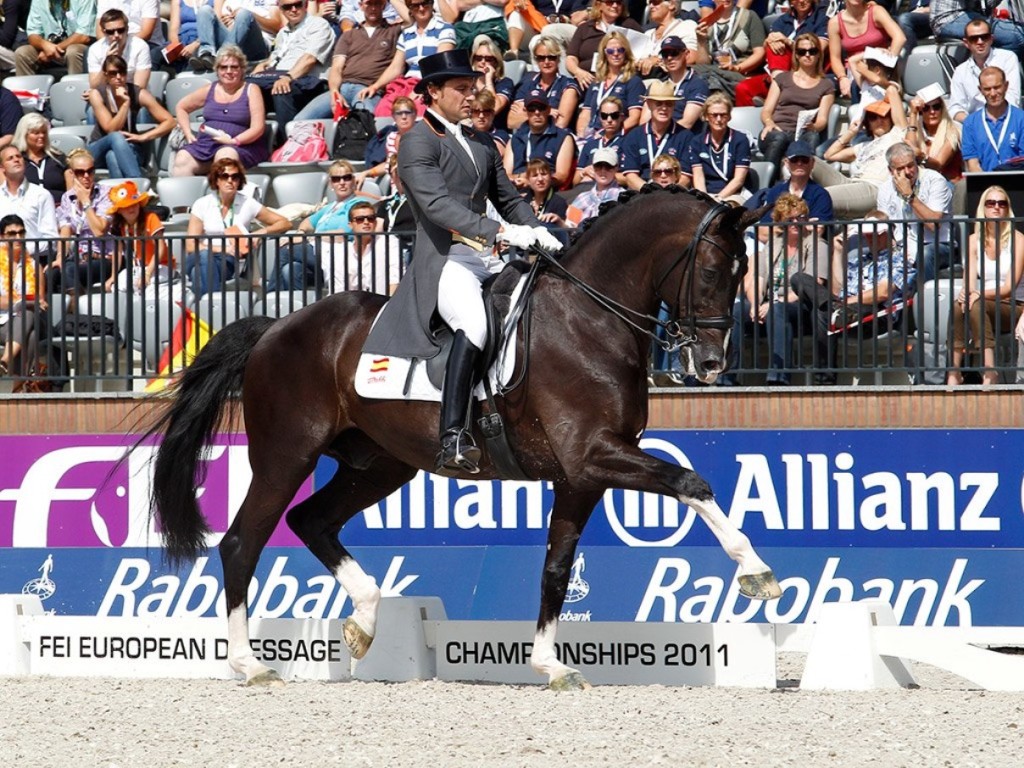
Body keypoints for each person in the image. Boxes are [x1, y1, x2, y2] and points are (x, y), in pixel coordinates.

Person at [362, 49, 560, 474]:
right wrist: (503, 233)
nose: (470, 97)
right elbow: (436, 207)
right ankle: (453, 433)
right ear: (433, 92)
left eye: (472, 89)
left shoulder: (480, 140)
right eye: (461, 89)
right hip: (446, 260)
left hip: (488, 256)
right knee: (475, 323)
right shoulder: (417, 139)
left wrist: (539, 230)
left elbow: (507, 198)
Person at [722, 193, 829, 386]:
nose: (796, 222)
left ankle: (779, 376)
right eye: (790, 219)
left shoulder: (816, 244)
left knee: (777, 311)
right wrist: (755, 303)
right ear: (780, 221)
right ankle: (728, 375)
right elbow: (759, 279)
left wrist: (773, 303)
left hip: (802, 304)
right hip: (772, 303)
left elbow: (815, 283)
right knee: (738, 310)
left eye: (801, 218)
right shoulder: (774, 244)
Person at [947, 186, 1024, 386]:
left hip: (1014, 304)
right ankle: (954, 372)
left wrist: (977, 294)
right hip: (985, 303)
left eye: (1002, 203)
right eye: (991, 203)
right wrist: (966, 293)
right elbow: (969, 280)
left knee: (976, 303)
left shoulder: (1019, 240)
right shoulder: (973, 240)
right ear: (983, 208)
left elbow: (1009, 287)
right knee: (958, 305)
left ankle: (990, 371)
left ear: (1008, 209)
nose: (996, 208)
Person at [185, 157, 290, 295]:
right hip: (202, 255)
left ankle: (207, 308)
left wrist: (262, 231)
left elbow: (285, 222)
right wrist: (222, 248)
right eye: (224, 176)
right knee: (204, 256)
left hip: (227, 260)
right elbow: (191, 245)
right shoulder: (202, 204)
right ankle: (214, 303)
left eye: (235, 177)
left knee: (196, 274)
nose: (230, 180)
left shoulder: (248, 203)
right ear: (216, 180)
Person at [267, 159, 374, 290]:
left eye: (346, 178)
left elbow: (344, 233)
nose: (341, 183)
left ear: (353, 181)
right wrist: (300, 232)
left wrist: (310, 238)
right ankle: (298, 307)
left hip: (339, 253)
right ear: (331, 183)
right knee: (292, 269)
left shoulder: (358, 204)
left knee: (285, 250)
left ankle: (270, 295)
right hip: (320, 254)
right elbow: (307, 222)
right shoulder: (329, 207)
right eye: (336, 179)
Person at [293, 0, 402, 120]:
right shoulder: (349, 35)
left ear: (383, 6)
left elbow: (410, 19)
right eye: (368, 4)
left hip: (368, 90)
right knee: (299, 121)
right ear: (361, 6)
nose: (373, 8)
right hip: (341, 89)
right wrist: (334, 92)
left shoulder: (393, 31)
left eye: (377, 3)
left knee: (366, 123)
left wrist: (375, 87)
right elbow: (337, 68)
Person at [172, 45, 270, 176]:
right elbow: (181, 107)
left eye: (234, 67)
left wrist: (234, 141)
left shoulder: (251, 90)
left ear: (242, 70)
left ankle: (223, 196)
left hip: (242, 146)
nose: (229, 71)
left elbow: (258, 128)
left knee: (225, 156)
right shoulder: (209, 89)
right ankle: (188, 196)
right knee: (182, 158)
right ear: (217, 70)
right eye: (224, 67)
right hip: (207, 144)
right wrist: (188, 133)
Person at [249, 0, 335, 143]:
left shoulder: (318, 25)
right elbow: (276, 58)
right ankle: (251, 143)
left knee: (282, 89)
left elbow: (310, 59)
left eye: (297, 4)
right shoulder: (283, 32)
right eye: (288, 6)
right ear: (281, 9)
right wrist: (264, 65)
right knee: (247, 88)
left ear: (305, 5)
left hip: (310, 82)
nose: (293, 9)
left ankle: (287, 144)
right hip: (281, 77)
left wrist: (288, 77)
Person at [816, 91, 908, 219]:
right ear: (867, 123)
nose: (879, 121)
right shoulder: (864, 146)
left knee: (818, 196)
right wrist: (851, 132)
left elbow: (892, 91)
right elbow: (829, 155)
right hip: (854, 183)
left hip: (874, 188)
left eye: (883, 116)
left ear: (890, 118)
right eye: (873, 117)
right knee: (810, 161)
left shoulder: (896, 135)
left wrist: (888, 94)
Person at [88, 54, 175, 179]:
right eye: (113, 73)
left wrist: (144, 137)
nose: (118, 77)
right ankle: (139, 185)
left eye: (122, 72)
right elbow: (111, 129)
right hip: (98, 148)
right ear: (105, 75)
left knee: (112, 156)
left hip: (128, 147)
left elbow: (170, 121)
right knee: (116, 137)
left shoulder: (138, 92)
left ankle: (126, 195)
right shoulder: (96, 94)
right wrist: (125, 104)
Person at [875, 142, 952, 283]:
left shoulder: (935, 180)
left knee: (925, 253)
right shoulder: (885, 189)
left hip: (937, 244)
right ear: (890, 170)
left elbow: (934, 225)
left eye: (910, 165)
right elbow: (885, 227)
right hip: (902, 246)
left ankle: (923, 301)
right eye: (900, 168)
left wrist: (909, 196)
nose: (907, 172)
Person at [758, 31, 835, 168]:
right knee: (779, 138)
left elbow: (822, 120)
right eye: (802, 51)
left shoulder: (826, 85)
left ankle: (806, 182)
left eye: (812, 51)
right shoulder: (782, 79)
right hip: (777, 130)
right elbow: (766, 111)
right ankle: (767, 183)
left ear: (819, 55)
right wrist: (769, 123)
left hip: (802, 132)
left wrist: (814, 126)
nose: (807, 55)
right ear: (796, 55)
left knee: (812, 136)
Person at [735, 0, 828, 108]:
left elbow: (819, 48)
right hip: (780, 73)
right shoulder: (783, 20)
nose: (801, 1)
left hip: (807, 72)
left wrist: (788, 41)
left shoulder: (822, 18)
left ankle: (776, 97)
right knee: (743, 88)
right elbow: (769, 45)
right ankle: (777, 98)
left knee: (779, 45)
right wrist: (769, 41)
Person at [53, 148, 117, 295]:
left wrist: (86, 202)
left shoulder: (107, 193)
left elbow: (99, 231)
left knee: (70, 270)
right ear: (72, 174)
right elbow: (65, 229)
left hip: (104, 258)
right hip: (79, 257)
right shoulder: (67, 197)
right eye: (80, 172)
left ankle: (77, 312)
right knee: (52, 273)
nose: (86, 176)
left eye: (90, 171)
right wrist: (59, 258)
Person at [0, 213, 52, 392]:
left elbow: (41, 300)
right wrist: (20, 300)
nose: (18, 237)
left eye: (21, 233)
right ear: (2, 237)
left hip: (27, 318)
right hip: (2, 323)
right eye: (12, 234)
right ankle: (17, 387)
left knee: (28, 315)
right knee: (30, 331)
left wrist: (26, 303)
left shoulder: (34, 265)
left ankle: (5, 361)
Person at [106, 180, 174, 297]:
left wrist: (147, 273)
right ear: (119, 210)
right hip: (138, 268)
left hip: (161, 266)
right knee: (118, 285)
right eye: (126, 206)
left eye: (134, 204)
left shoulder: (151, 218)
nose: (131, 208)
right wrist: (113, 276)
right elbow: (117, 252)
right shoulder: (120, 225)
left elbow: (160, 248)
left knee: (146, 288)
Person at [947, 17, 1022, 124]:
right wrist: (974, 122)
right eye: (974, 39)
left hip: (1006, 120)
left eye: (984, 37)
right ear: (966, 42)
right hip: (975, 124)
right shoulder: (960, 71)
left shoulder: (1007, 58)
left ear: (991, 39)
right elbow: (955, 107)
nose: (980, 42)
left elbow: (1013, 98)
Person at [621, 80, 693, 190]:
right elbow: (631, 176)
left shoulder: (686, 137)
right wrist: (649, 192)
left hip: (674, 194)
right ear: (649, 104)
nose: (664, 108)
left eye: (668, 104)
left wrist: (669, 194)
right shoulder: (634, 136)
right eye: (658, 103)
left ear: (674, 106)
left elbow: (685, 177)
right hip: (642, 193)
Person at [746, 140, 834, 229]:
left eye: (804, 160)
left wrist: (780, 225)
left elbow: (817, 231)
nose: (799, 163)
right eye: (794, 160)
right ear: (786, 163)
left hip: (808, 243)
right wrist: (803, 225)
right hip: (777, 242)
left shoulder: (821, 195)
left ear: (812, 163)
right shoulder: (775, 191)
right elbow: (763, 231)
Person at [827, 0, 904, 101]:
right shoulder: (834, 23)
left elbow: (900, 37)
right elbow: (835, 58)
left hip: (881, 67)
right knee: (854, 85)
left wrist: (888, 61)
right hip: (855, 70)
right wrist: (842, 78)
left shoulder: (876, 12)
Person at [691, 0, 766, 102]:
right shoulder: (708, 23)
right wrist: (701, 42)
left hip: (741, 74)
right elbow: (703, 63)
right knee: (695, 70)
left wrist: (737, 68)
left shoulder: (749, 16)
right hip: (716, 74)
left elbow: (760, 53)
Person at [323, 199, 401, 295]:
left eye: (370, 218)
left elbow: (395, 279)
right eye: (360, 219)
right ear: (350, 225)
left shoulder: (389, 243)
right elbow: (338, 289)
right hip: (351, 306)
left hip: (383, 304)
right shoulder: (340, 252)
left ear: (375, 223)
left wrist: (387, 306)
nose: (366, 222)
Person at [576, 31, 644, 137]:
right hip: (591, 135)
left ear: (626, 52)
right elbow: (585, 114)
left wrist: (606, 135)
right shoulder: (596, 81)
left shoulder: (633, 81)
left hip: (615, 137)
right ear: (604, 53)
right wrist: (581, 134)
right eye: (611, 51)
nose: (615, 54)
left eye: (620, 50)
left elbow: (634, 117)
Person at [684, 92, 749, 202]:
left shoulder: (740, 140)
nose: (718, 119)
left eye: (723, 115)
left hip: (732, 194)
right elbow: (698, 176)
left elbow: (739, 179)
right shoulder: (697, 141)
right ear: (706, 117)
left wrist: (718, 198)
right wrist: (704, 198)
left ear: (729, 116)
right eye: (714, 115)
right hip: (706, 194)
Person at [507, 35, 579, 132]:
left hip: (555, 139)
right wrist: (547, 113)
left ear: (558, 59)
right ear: (536, 60)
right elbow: (511, 122)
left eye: (551, 57)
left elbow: (560, 124)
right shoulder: (528, 81)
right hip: (527, 137)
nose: (546, 62)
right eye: (541, 58)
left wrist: (527, 114)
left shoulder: (568, 85)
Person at [565, 0, 641, 90]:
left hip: (617, 79)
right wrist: (579, 72)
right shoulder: (585, 28)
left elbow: (643, 50)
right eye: (610, 2)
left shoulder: (630, 25)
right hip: (586, 79)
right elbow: (571, 58)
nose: (615, 5)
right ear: (599, 5)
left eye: (619, 2)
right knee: (570, 90)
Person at [504, 95, 576, 190]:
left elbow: (561, 175)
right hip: (516, 189)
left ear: (549, 110)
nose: (537, 112)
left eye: (541, 108)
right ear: (526, 112)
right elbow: (505, 174)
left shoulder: (562, 137)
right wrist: (519, 179)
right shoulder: (515, 139)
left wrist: (531, 182)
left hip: (546, 190)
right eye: (532, 109)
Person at [0, 144, 58, 260]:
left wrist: (21, 250)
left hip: (34, 262)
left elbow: (51, 240)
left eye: (18, 156)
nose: (16, 159)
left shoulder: (41, 195)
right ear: (2, 168)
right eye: (10, 158)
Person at [961, 66, 1024, 173]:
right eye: (987, 89)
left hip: (1017, 183)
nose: (993, 93)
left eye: (997, 87)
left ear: (1006, 86)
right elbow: (973, 164)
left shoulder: (1021, 119)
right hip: (984, 185)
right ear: (980, 90)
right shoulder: (970, 123)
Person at [191, 0, 283, 70]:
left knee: (245, 14)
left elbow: (276, 26)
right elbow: (216, 19)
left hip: (257, 44)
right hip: (229, 38)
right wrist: (228, 23)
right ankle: (206, 54)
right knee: (205, 10)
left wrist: (251, 17)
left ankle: (222, 57)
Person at [14, 0, 95, 76]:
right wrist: (44, 45)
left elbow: (84, 36)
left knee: (73, 51)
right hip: (48, 47)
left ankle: (75, 88)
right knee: (22, 53)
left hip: (76, 46)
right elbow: (32, 34)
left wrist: (55, 49)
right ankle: (27, 90)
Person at [645, 36, 708, 131]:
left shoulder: (697, 84)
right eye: (665, 55)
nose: (669, 58)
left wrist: (661, 134)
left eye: (674, 53)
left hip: (682, 138)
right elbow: (644, 120)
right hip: (656, 136)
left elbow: (687, 123)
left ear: (686, 54)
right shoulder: (657, 85)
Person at [905, 83, 963, 184]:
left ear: (942, 109)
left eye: (936, 107)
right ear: (921, 111)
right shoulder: (918, 131)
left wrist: (922, 156)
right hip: (922, 184)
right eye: (926, 108)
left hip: (948, 184)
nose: (932, 112)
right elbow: (909, 150)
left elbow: (939, 164)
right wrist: (913, 114)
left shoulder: (953, 130)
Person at [12, 112, 70, 206]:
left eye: (43, 132)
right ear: (24, 134)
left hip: (59, 208)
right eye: (36, 133)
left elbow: (71, 192)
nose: (42, 136)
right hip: (26, 209)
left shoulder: (58, 158)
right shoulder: (15, 159)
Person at [930, 0, 1024, 57]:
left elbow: (988, 5)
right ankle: (992, 80)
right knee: (1014, 37)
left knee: (1020, 30)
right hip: (949, 18)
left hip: (971, 15)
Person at [87, 9, 152, 90]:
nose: (116, 35)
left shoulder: (140, 46)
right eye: (111, 32)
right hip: (106, 94)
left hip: (133, 95)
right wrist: (106, 64)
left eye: (120, 30)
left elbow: (140, 86)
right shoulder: (95, 49)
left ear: (127, 29)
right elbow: (94, 86)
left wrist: (117, 92)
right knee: (93, 95)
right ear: (104, 32)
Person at [573, 95, 625, 185]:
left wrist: (602, 175)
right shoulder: (590, 144)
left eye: (614, 115)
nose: (609, 120)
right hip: (588, 190)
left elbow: (630, 178)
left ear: (621, 117)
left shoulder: (628, 142)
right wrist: (584, 172)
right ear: (600, 118)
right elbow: (575, 181)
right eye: (604, 116)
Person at [637, 0, 698, 76]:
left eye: (655, 2)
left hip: (670, 80)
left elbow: (691, 58)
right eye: (650, 3)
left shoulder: (686, 26)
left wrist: (658, 61)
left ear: (671, 5)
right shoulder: (647, 33)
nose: (651, 6)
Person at [565, 146, 622, 227]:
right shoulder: (582, 198)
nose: (603, 170)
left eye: (608, 166)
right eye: (598, 166)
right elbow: (570, 227)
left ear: (616, 168)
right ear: (593, 167)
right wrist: (558, 221)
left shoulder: (623, 198)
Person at [470, 34, 514, 129]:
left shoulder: (504, 83)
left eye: (488, 59)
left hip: (495, 132)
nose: (482, 62)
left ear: (496, 62)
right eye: (478, 58)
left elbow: (494, 107)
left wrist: (488, 79)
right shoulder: (467, 82)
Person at [520, 159, 568, 232]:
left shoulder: (559, 202)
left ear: (550, 176)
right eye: (535, 175)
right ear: (528, 180)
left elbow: (568, 233)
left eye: (544, 174)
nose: (540, 179)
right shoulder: (522, 202)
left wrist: (560, 222)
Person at [167, 0, 215, 68]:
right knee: (156, 54)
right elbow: (173, 29)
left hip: (203, 39)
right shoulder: (177, 1)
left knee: (194, 57)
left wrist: (195, 44)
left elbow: (215, 25)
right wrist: (177, 48)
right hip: (182, 39)